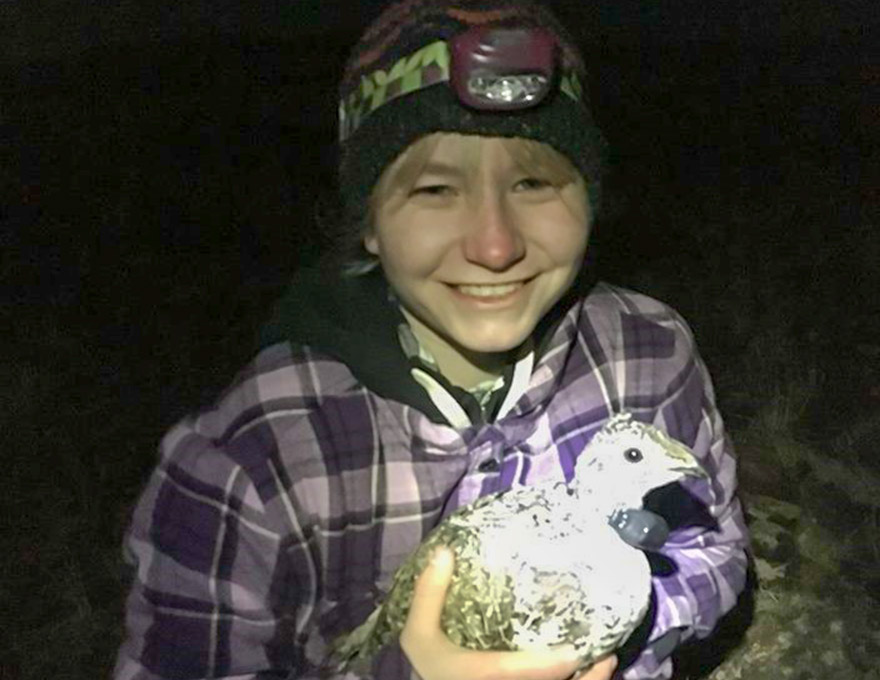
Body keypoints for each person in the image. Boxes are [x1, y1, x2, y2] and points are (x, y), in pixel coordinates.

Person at [113, 1, 750, 678]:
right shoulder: (247, 463)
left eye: (534, 182)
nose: (496, 246)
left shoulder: (648, 354)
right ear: (368, 223)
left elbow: (712, 551)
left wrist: (622, 617)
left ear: (589, 201)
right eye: (436, 189)